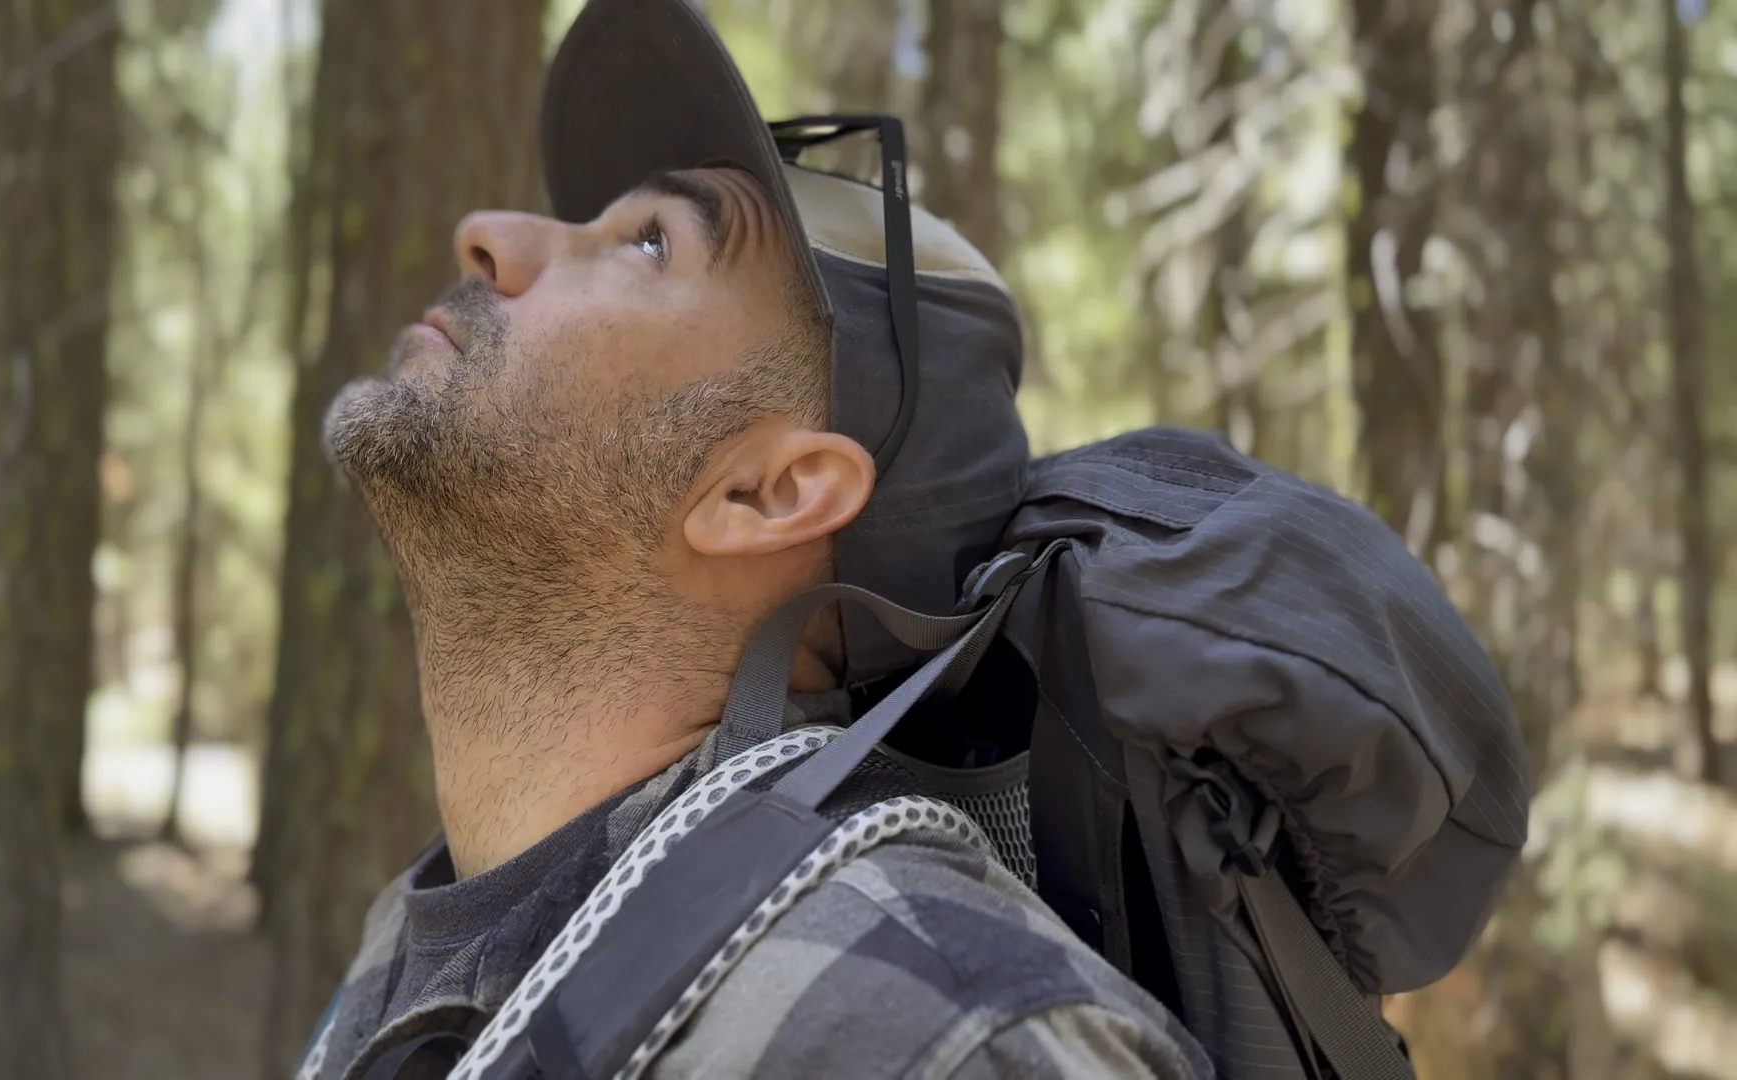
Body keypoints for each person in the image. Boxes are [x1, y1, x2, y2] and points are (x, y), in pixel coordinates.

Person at [297, 0, 1213, 1076]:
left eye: (651, 243)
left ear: (768, 493)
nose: (489, 233)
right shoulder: (427, 924)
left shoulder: (933, 1026)